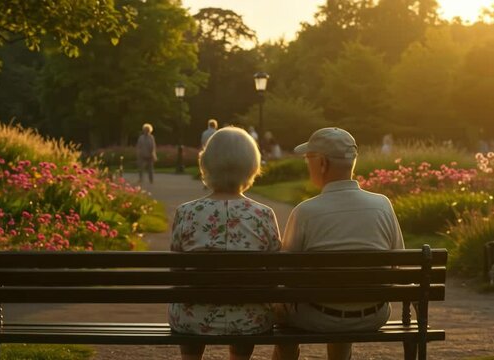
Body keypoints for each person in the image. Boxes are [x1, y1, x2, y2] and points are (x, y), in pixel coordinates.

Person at [273, 127, 404, 360]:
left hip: (317, 316)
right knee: (343, 298)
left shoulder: (305, 212)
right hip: (372, 314)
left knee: (282, 310)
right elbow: (398, 265)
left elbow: (285, 275)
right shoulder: (382, 205)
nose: (307, 164)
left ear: (322, 163)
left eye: (308, 159)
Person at [168, 126, 281, 360]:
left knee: (188, 307)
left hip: (192, 318)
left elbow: (177, 271)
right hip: (250, 319)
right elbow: (274, 273)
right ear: (252, 167)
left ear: (206, 164)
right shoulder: (264, 214)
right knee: (248, 310)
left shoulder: (186, 212)